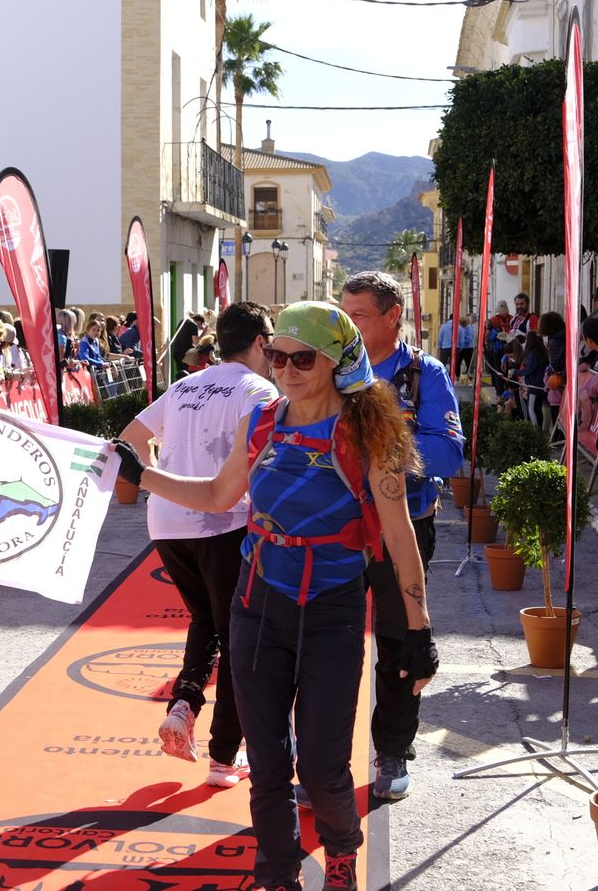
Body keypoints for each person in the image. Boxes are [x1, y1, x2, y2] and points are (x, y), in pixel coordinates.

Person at [114, 301, 437, 891]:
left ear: (338, 361)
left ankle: (341, 848)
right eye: (277, 354)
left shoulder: (369, 433)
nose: (286, 368)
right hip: (257, 603)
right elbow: (217, 495)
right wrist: (143, 472)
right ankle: (277, 875)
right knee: (266, 765)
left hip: (333, 611)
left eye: (302, 357)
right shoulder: (261, 420)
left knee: (321, 767)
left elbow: (397, 532)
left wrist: (419, 629)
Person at [119, 301, 278, 788]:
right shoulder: (258, 389)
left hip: (167, 522)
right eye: (270, 345)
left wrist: (154, 478)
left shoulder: (186, 385)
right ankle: (224, 756)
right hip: (224, 520)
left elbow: (128, 440)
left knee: (208, 622)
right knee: (238, 634)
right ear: (257, 343)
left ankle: (184, 705)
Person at [339, 272, 464, 801]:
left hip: (406, 529)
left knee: (398, 641)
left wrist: (384, 451)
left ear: (393, 315)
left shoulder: (423, 375)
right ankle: (323, 758)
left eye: (359, 315)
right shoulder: (331, 368)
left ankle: (392, 750)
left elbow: (450, 453)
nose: (348, 325)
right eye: (344, 314)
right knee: (331, 645)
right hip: (337, 532)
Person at [455, 315, 476, 380]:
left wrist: (462, 340)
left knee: (468, 364)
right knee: (458, 363)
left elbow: (470, 339)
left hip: (468, 348)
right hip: (462, 348)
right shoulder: (463, 328)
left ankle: (470, 378)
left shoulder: (469, 329)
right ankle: (457, 376)